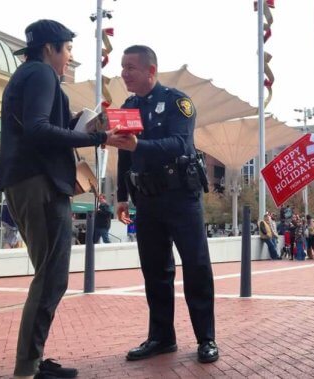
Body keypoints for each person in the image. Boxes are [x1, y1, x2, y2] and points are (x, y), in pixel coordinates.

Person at [0, 19, 124, 379]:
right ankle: (27, 368)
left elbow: (40, 124)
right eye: (67, 49)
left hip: (30, 181)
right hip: (41, 183)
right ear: (49, 48)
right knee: (52, 277)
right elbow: (37, 129)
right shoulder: (41, 74)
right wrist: (97, 140)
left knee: (49, 276)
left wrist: (80, 123)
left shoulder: (28, 74)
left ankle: (32, 362)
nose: (69, 57)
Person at [113, 45, 218, 363]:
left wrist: (139, 145)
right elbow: (123, 153)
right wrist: (121, 196)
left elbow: (179, 143)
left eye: (130, 67)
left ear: (150, 70)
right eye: (122, 66)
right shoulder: (128, 105)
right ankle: (161, 337)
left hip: (181, 197)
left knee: (196, 267)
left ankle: (206, 339)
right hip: (146, 200)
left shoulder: (177, 102)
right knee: (155, 270)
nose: (124, 73)